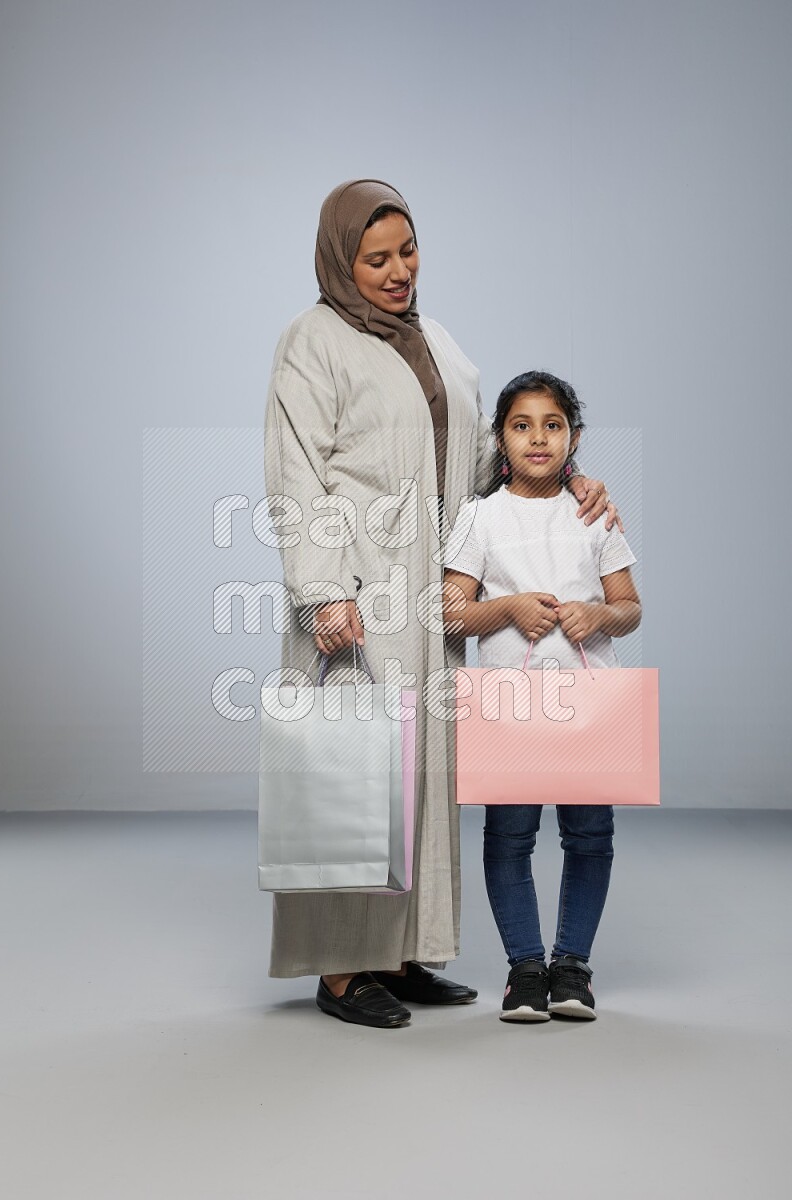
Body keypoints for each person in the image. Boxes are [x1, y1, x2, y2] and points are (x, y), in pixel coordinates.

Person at [263, 181, 620, 1028]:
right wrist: (321, 592)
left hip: (438, 592)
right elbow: (295, 472)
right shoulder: (311, 342)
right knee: (355, 779)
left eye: (408, 251)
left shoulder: (437, 339)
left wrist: (567, 477)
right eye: (376, 258)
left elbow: (489, 463)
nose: (398, 272)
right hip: (357, 589)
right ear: (341, 260)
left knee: (421, 778)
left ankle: (401, 952)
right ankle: (343, 969)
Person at [442, 370, 641, 1022]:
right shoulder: (480, 516)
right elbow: (451, 612)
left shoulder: (593, 514)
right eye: (521, 424)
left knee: (589, 835)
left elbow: (629, 607)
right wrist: (507, 607)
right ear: (500, 438)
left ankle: (572, 969)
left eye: (552, 425)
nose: (538, 438)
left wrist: (599, 617)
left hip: (588, 704)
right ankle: (525, 969)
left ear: (573, 437)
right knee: (510, 836)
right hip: (509, 703)